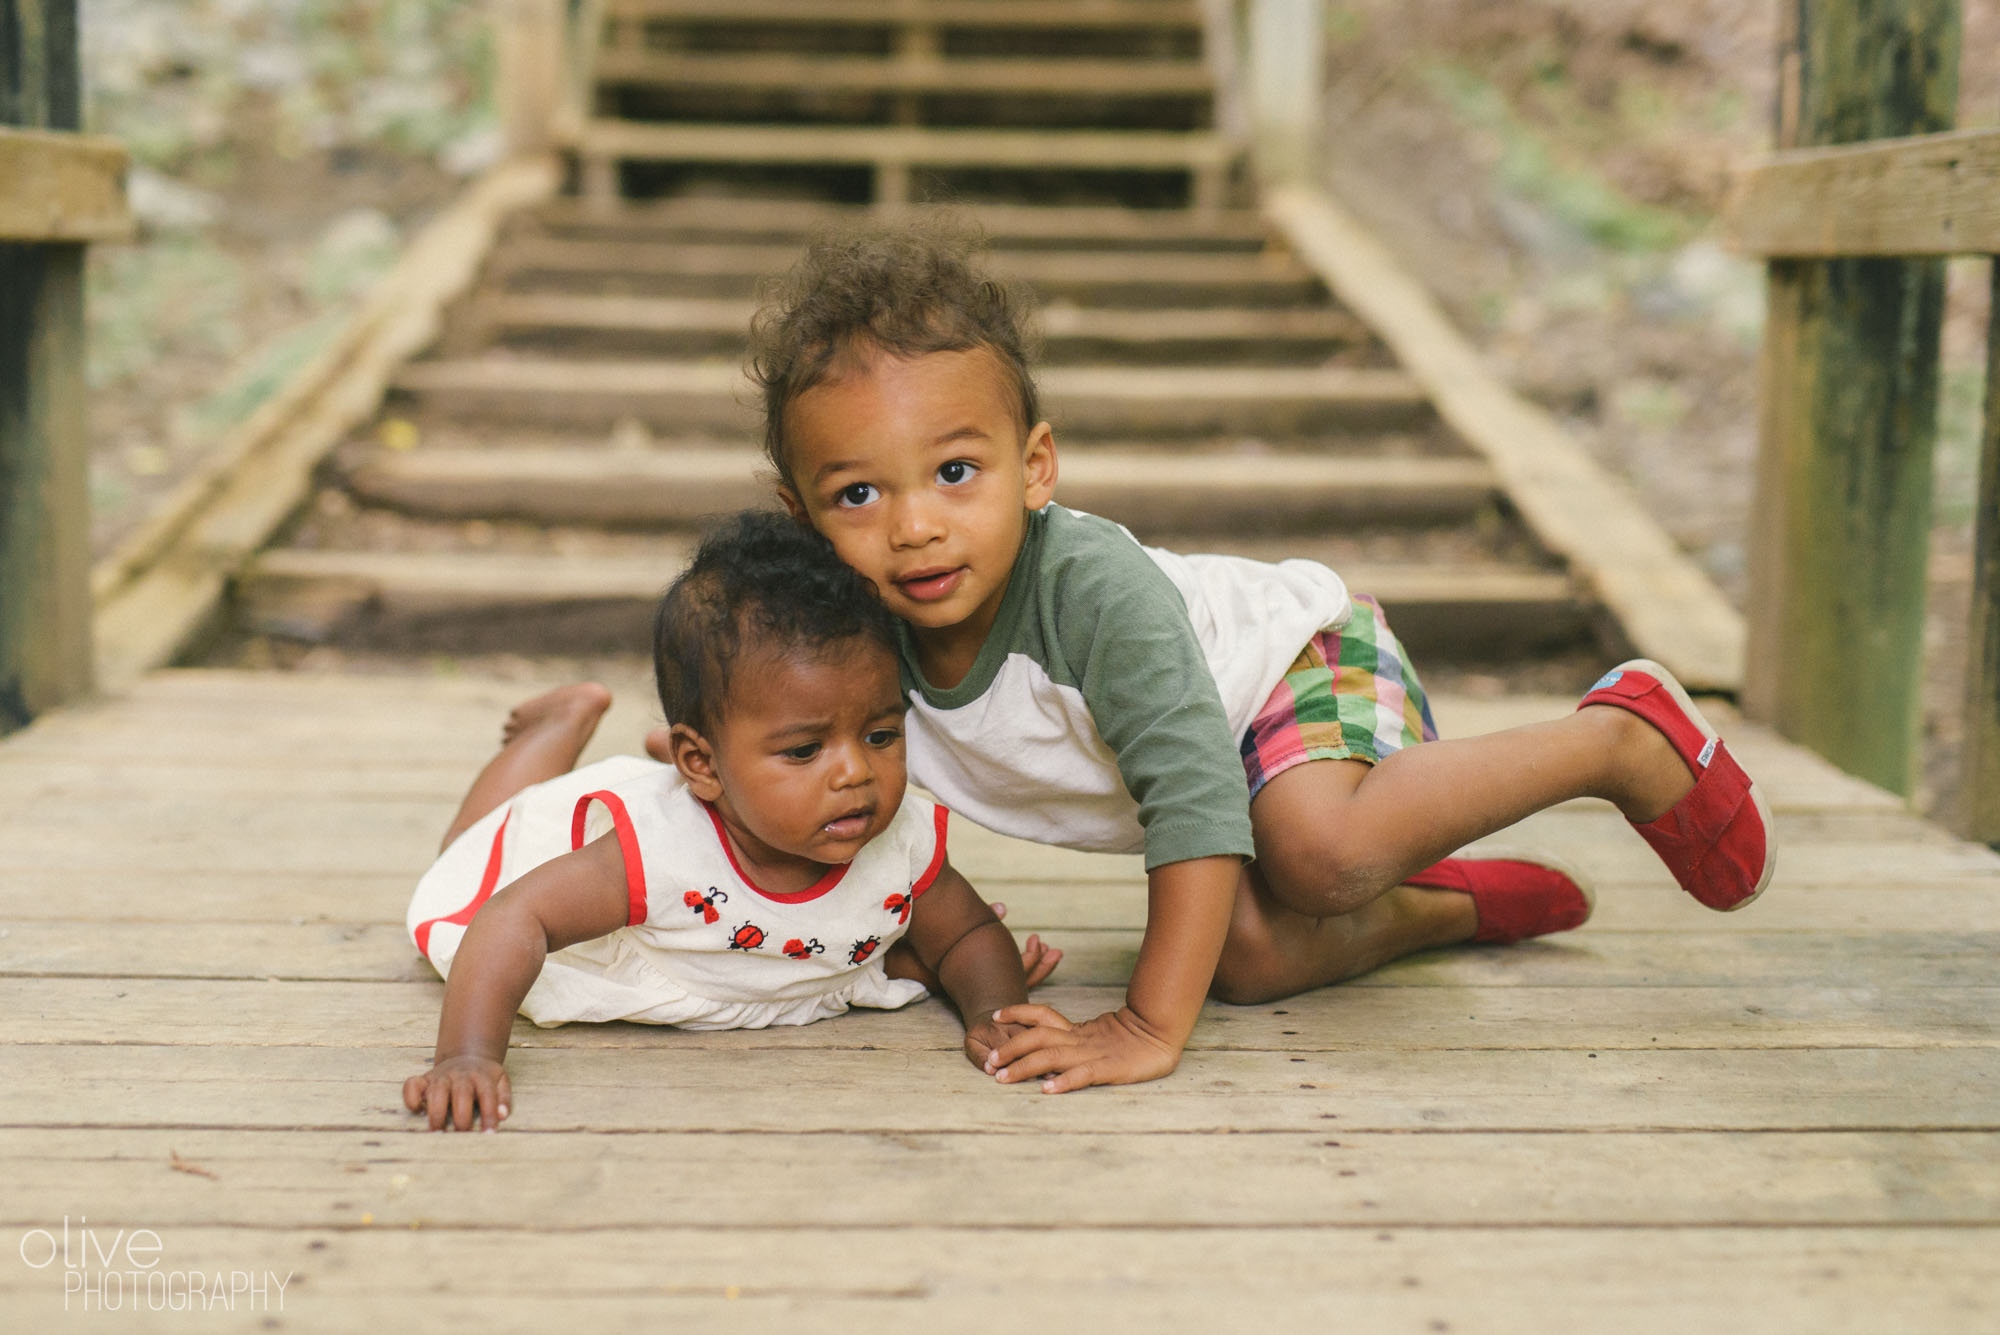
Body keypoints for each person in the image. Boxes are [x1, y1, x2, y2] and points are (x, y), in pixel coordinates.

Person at [747, 219, 1777, 1095]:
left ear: (1035, 467)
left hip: (1295, 662)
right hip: (1222, 749)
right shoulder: (852, 636)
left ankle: (1616, 740)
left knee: (1315, 856)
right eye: (858, 495)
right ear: (799, 516)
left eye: (955, 471)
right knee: (1239, 960)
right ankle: (1446, 906)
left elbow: (1190, 801)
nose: (915, 526)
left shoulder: (1093, 596)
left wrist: (1148, 1027)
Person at [402, 511, 1058, 1131]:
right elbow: (516, 916)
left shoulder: (896, 837)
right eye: (805, 750)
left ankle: (698, 760)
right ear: (704, 764)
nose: (855, 772)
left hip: (737, 898)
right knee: (472, 844)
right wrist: (467, 1053)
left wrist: (994, 1007)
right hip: (592, 889)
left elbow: (967, 934)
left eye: (881, 734)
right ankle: (555, 726)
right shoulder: (656, 851)